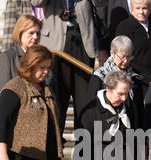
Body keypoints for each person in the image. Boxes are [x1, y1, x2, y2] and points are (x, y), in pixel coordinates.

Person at [30, 0, 108, 130]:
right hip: (55, 44)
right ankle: (55, 145)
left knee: (84, 102)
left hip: (83, 42)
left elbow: (101, 3)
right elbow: (36, 2)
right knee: (56, 99)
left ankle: (83, 147)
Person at [115, 0, 151, 98]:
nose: (141, 12)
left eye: (144, 8)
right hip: (134, 83)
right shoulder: (124, 28)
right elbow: (123, 57)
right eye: (137, 8)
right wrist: (147, 77)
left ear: (149, 9)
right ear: (132, 9)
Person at [87, 35, 143, 127]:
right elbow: (92, 107)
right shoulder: (100, 76)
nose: (125, 61)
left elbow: (139, 107)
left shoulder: (134, 76)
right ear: (112, 53)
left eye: (129, 57)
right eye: (122, 57)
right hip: (107, 128)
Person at [0, 14, 42, 112]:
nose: (35, 37)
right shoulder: (7, 58)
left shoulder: (41, 58)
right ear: (20, 33)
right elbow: (2, 94)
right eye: (31, 33)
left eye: (38, 33)